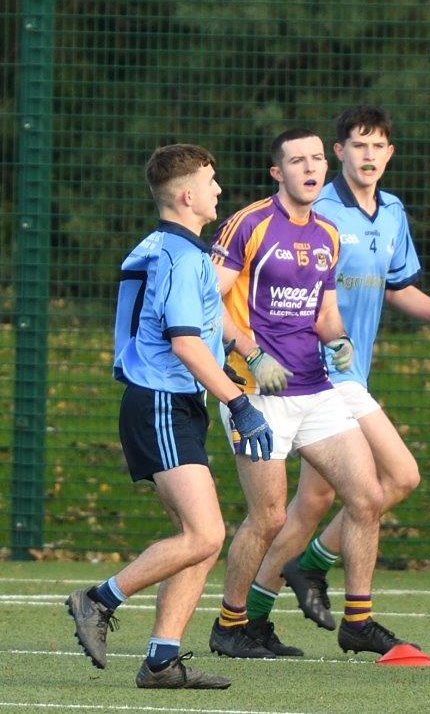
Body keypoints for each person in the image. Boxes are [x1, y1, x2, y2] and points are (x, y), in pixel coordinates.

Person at [249, 106, 430, 635]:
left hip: (353, 373)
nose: (368, 155)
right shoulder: (317, 209)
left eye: (378, 146)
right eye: (358, 145)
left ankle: (250, 617)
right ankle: (314, 571)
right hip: (322, 373)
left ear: (390, 153)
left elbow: (399, 288)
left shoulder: (392, 211)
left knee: (312, 504)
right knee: (399, 476)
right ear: (339, 153)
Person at [65, 144, 272, 689]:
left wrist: (245, 348)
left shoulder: (179, 250)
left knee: (192, 536)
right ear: (186, 195)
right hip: (160, 399)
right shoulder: (180, 257)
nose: (218, 191)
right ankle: (98, 600)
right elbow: (185, 343)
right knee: (206, 535)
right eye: (211, 181)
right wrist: (240, 401)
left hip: (168, 401)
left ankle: (162, 660)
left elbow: (201, 321)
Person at [208, 128, 412, 660]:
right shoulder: (249, 223)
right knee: (270, 517)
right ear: (277, 172)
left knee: (367, 497)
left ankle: (358, 622)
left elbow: (324, 312)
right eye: (298, 160)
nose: (311, 167)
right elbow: (205, 303)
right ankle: (232, 626)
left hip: (316, 388)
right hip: (255, 392)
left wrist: (339, 340)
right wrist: (251, 353)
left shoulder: (327, 233)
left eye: (317, 158)